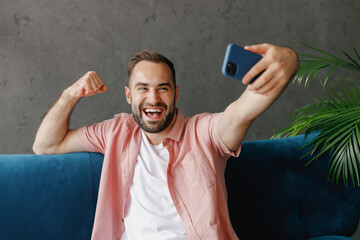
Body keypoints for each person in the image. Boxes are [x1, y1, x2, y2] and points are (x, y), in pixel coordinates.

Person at [33, 43, 299, 240]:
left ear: (175, 93)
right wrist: (71, 94)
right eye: (143, 88)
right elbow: (45, 145)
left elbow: (243, 110)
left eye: (163, 88)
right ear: (129, 95)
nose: (154, 98)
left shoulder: (203, 133)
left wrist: (288, 62)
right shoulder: (116, 131)